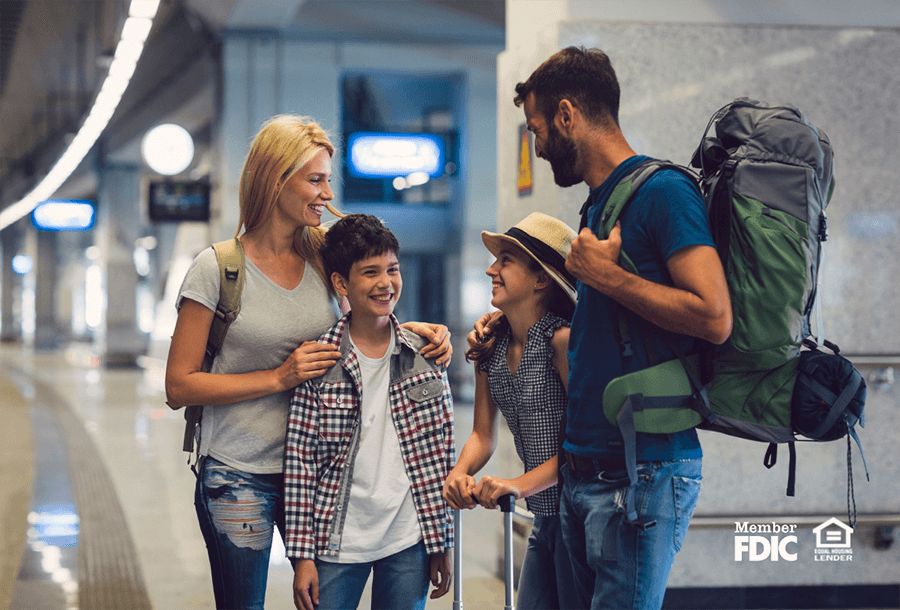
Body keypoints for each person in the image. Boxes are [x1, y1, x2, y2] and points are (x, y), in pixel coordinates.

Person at [478, 47, 733, 610]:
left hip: (640, 473)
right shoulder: (599, 206)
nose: (538, 146)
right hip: (585, 470)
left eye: (538, 129)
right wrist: (505, 324)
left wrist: (608, 278)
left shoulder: (663, 193)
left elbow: (715, 316)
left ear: (568, 115)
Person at [165, 116, 451, 610]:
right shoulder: (218, 268)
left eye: (327, 180)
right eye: (314, 179)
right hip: (239, 472)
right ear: (275, 180)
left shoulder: (323, 258)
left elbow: (362, 322)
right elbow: (179, 386)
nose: (325, 193)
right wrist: (279, 377)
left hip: (321, 476)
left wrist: (414, 331)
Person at [285, 214, 455, 610]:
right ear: (341, 283)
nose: (385, 283)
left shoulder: (426, 356)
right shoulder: (319, 360)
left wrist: (441, 541)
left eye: (392, 269)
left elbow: (439, 458)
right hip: (336, 540)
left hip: (408, 540)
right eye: (370, 272)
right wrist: (302, 555)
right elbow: (299, 463)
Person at [444, 212, 581, 610]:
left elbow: (585, 446)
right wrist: (459, 472)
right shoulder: (491, 345)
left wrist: (519, 484)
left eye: (505, 260)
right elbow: (483, 436)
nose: (491, 269)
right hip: (546, 518)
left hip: (582, 517)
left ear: (541, 279)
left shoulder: (562, 341)